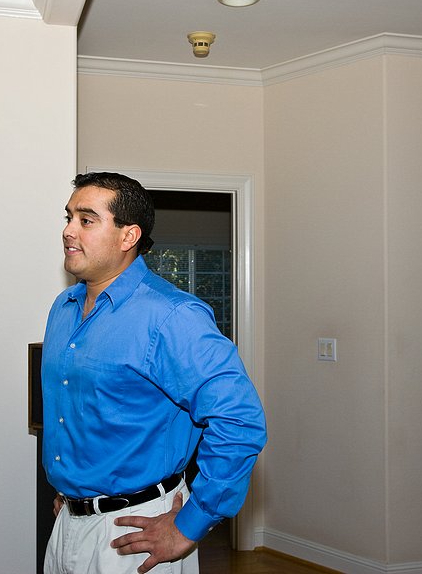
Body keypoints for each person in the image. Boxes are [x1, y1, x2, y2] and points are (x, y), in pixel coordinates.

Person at [41, 172, 267, 574]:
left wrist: (189, 525)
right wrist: (71, 490)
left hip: (135, 534)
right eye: (68, 217)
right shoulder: (63, 307)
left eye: (86, 220)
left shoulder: (172, 316)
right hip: (66, 525)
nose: (68, 231)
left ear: (128, 236)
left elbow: (239, 420)